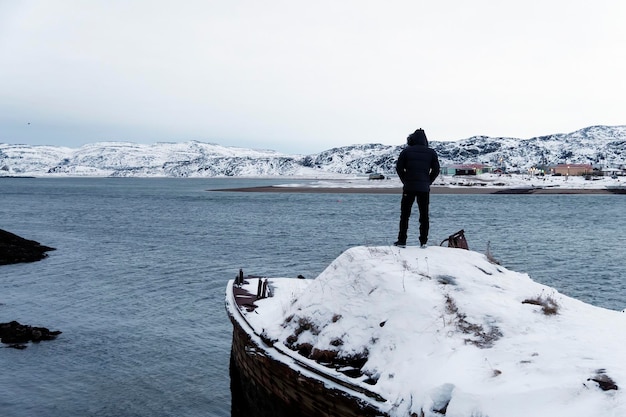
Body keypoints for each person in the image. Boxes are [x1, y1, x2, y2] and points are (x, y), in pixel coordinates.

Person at [394, 128, 440, 248]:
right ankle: (423, 241)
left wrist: (405, 180)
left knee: (405, 215)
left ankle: (402, 240)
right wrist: (428, 181)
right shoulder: (431, 152)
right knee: (424, 215)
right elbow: (436, 170)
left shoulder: (406, 151)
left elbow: (399, 168)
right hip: (424, 188)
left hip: (409, 187)